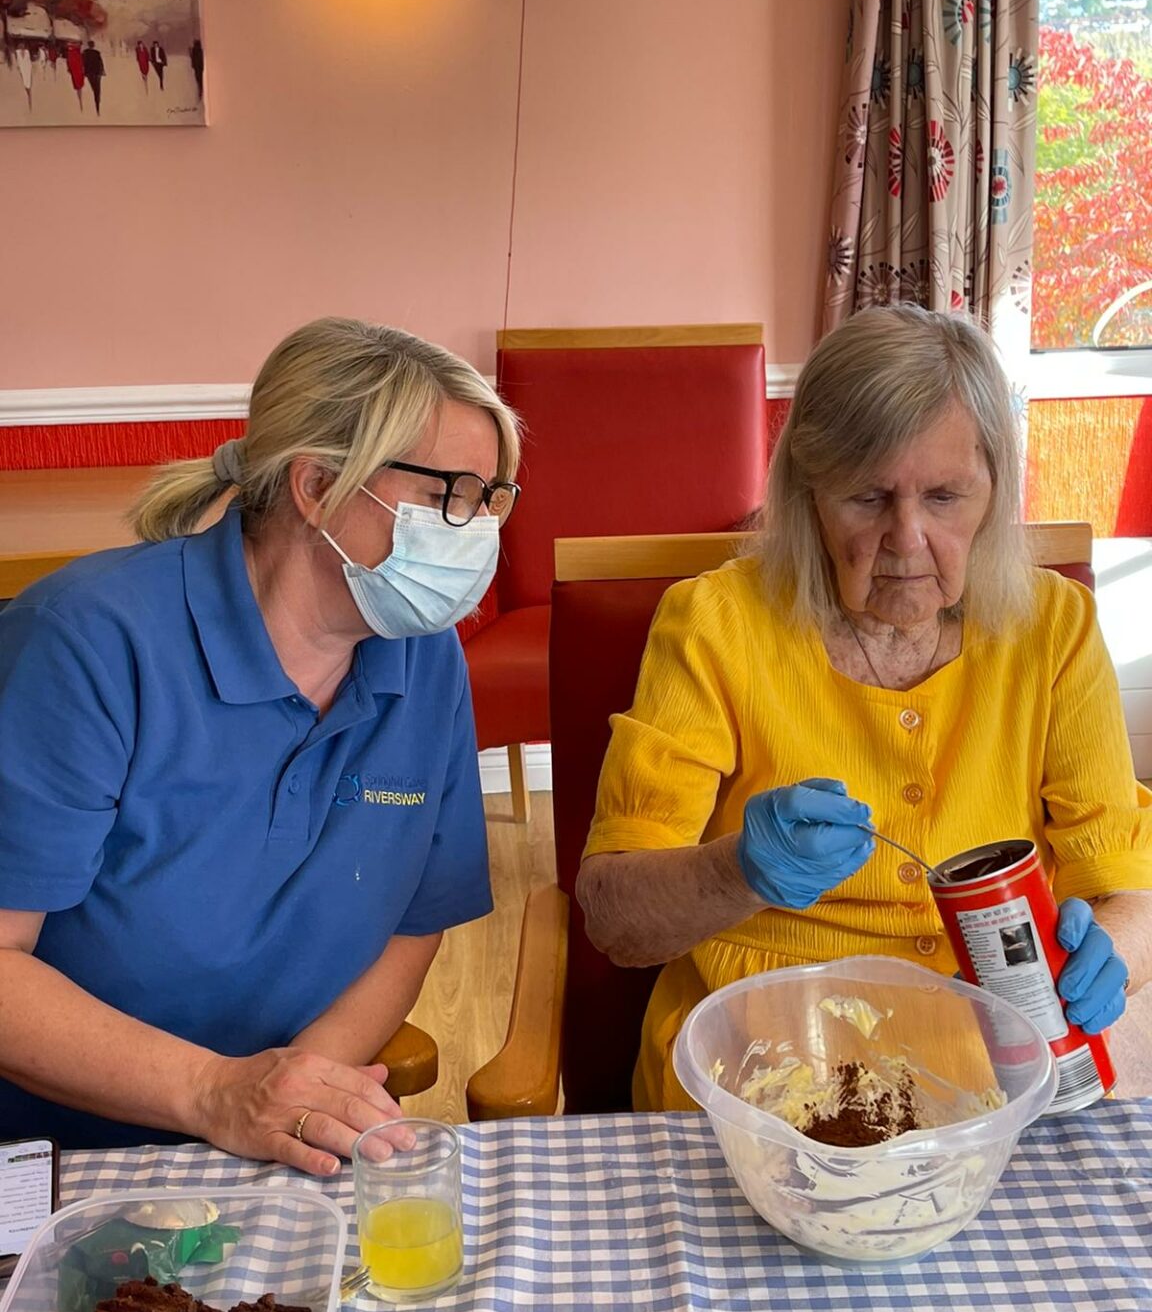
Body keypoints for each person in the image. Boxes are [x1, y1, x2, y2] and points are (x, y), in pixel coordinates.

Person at [577, 305, 1152, 1111]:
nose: (907, 538)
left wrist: (1115, 951)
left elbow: (1121, 880)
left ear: (994, 492)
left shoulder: (1052, 627)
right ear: (809, 494)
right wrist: (737, 869)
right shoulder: (715, 624)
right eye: (868, 497)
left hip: (989, 1064)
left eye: (945, 496)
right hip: (760, 1066)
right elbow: (613, 919)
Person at [0, 318, 521, 1172]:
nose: (477, 531)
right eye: (452, 495)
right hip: (67, 1153)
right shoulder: (87, 643)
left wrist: (294, 1098)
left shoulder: (423, 659)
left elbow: (414, 924)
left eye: (492, 498)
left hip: (272, 1149)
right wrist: (219, 1095)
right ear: (318, 485)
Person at [81, 39, 104, 114]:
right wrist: (102, 72)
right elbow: (101, 63)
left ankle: (97, 104)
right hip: (97, 73)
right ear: (93, 45)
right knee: (97, 89)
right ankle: (97, 105)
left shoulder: (85, 53)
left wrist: (84, 72)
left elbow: (83, 63)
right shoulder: (97, 53)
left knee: (94, 88)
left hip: (89, 73)